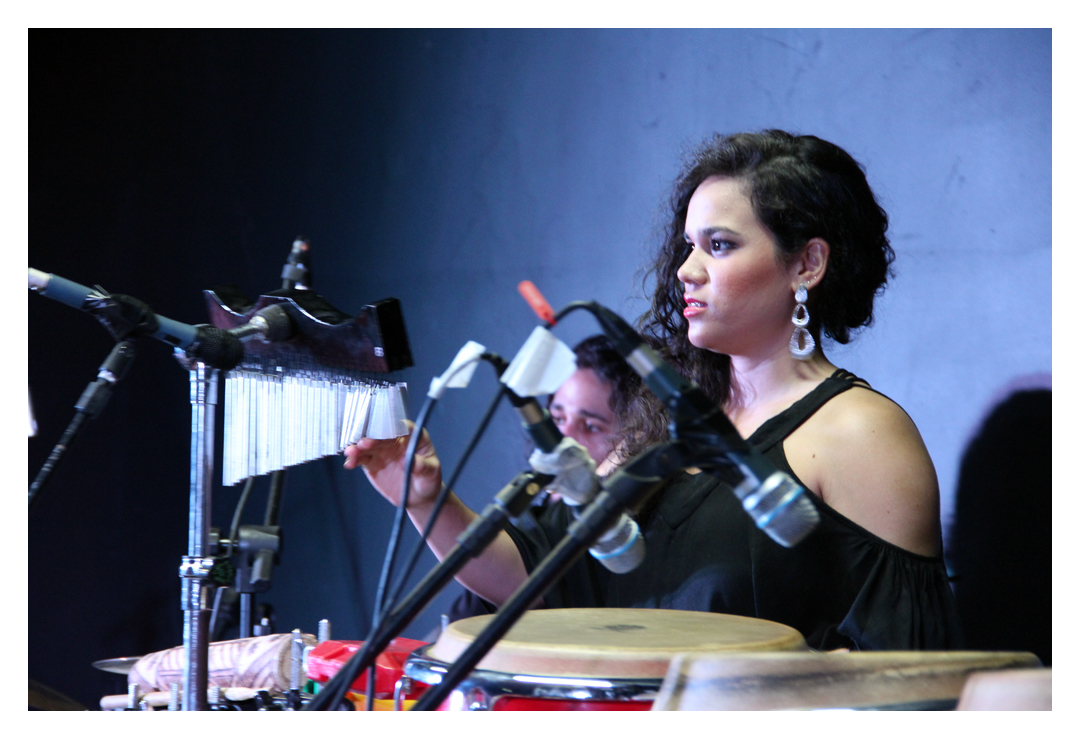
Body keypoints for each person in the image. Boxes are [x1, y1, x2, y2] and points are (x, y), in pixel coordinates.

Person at [346, 130, 963, 651]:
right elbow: (539, 579)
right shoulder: (662, 417)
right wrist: (422, 498)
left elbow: (907, 670)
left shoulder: (860, 433)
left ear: (807, 264)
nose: (686, 271)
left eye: (719, 246)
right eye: (689, 246)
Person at [445, 334, 640, 622]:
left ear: (633, 441)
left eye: (590, 426)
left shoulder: (619, 545)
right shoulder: (538, 521)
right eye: (558, 419)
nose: (562, 438)